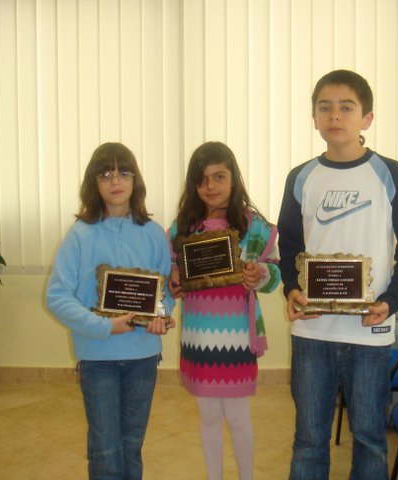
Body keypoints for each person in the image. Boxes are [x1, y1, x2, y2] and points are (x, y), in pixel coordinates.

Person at [277, 70, 398, 480]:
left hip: (369, 332)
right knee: (309, 440)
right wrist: (291, 289)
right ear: (313, 117)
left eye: (346, 107)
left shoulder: (390, 174)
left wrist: (390, 302)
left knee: (370, 439)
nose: (334, 115)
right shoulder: (301, 177)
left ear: (367, 118)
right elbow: (289, 248)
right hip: (312, 331)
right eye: (325, 107)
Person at [46, 142, 176, 480]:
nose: (115, 181)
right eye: (105, 174)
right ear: (94, 183)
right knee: (105, 450)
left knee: (132, 446)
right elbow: (56, 295)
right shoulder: (79, 235)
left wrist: (160, 316)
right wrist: (103, 327)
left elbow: (164, 294)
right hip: (97, 358)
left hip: (143, 358)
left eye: (123, 172)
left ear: (135, 180)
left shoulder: (154, 234)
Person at [167, 141, 281, 480]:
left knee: (237, 416)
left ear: (234, 179)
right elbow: (170, 272)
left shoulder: (254, 226)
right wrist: (173, 281)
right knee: (208, 416)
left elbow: (276, 273)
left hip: (238, 337)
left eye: (219, 177)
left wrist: (260, 274)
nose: (211, 186)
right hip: (198, 336)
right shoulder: (182, 228)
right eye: (202, 179)